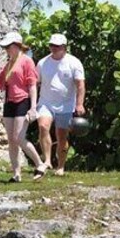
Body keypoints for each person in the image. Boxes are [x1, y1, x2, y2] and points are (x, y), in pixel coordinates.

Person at [0, 32, 47, 182]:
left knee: (19, 138)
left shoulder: (27, 61)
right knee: (11, 139)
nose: (6, 50)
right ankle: (16, 174)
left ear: (16, 45)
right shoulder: (9, 64)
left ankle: (40, 164)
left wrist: (33, 107)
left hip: (22, 101)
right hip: (9, 103)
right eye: (5, 47)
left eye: (8, 47)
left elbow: (32, 85)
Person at [36, 33, 86, 176]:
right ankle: (47, 160)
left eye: (57, 46)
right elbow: (35, 82)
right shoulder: (42, 63)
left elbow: (80, 85)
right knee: (43, 126)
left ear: (64, 47)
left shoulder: (74, 63)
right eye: (51, 45)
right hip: (46, 101)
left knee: (62, 136)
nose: (54, 48)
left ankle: (61, 166)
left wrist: (79, 104)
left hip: (65, 104)